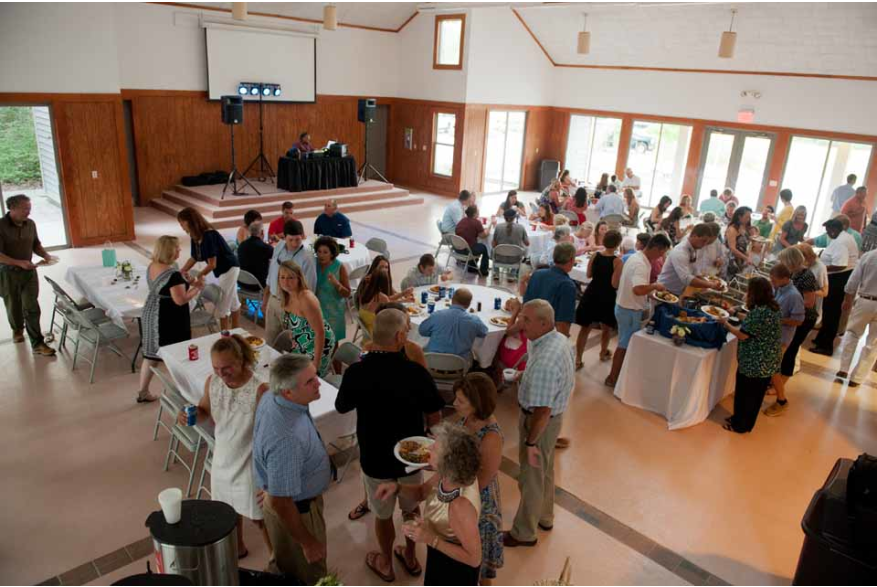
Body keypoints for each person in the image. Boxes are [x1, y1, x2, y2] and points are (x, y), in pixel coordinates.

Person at [336, 308, 444, 583]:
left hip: (375, 457)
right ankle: (409, 555)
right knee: (410, 508)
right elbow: (434, 415)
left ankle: (385, 562)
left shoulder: (357, 372)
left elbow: (342, 406)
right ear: (399, 336)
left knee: (382, 514)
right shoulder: (416, 373)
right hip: (411, 455)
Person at [179, 335, 272, 559]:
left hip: (249, 462)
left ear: (242, 361)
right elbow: (204, 410)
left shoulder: (261, 391)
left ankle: (276, 556)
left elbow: (270, 438)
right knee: (227, 510)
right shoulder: (213, 382)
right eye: (216, 367)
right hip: (223, 457)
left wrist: (268, 480)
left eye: (227, 367)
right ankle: (238, 546)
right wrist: (191, 415)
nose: (221, 373)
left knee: (259, 517)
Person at [253, 354, 331, 585]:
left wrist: (269, 483)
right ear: (288, 392)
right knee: (310, 575)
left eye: (315, 376)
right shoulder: (286, 438)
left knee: (284, 561)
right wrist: (308, 543)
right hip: (298, 510)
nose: (319, 383)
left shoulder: (270, 395)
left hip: (283, 498)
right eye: (310, 382)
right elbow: (281, 501)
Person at [502, 300, 574, 548]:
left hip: (539, 424)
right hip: (551, 421)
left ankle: (524, 532)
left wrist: (530, 441)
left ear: (544, 323)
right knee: (545, 470)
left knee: (531, 476)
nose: (521, 325)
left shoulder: (545, 362)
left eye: (527, 320)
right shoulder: (557, 340)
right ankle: (545, 517)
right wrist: (524, 375)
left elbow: (542, 411)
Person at [374, 423, 483, 586]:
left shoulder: (461, 507)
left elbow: (474, 559)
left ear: (448, 462)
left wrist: (429, 539)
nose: (429, 448)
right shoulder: (447, 475)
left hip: (455, 569)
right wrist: (397, 488)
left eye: (435, 448)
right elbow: (422, 492)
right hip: (439, 552)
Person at [137, 236, 203, 403]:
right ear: (169, 251)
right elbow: (180, 300)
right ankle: (184, 394)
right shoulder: (173, 274)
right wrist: (197, 288)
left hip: (152, 311)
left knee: (151, 355)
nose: (180, 251)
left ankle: (143, 391)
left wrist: (185, 281)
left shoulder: (152, 266)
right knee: (178, 355)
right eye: (177, 248)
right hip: (169, 318)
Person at [453, 375, 504, 585]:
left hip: (478, 502)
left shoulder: (491, 436)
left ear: (477, 403)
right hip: (460, 488)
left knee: (479, 563)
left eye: (461, 401)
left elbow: (481, 482)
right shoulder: (467, 418)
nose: (454, 404)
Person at [606, 234, 672, 387]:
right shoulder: (641, 264)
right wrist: (655, 286)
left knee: (624, 343)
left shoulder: (637, 257)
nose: (661, 258)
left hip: (624, 305)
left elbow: (635, 286)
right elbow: (637, 289)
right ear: (656, 248)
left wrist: (652, 293)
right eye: (661, 253)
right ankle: (613, 378)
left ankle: (617, 376)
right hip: (629, 310)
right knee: (623, 345)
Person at [718, 277, 782, 434]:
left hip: (755, 363)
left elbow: (743, 335)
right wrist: (735, 314)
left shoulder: (759, 312)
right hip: (767, 361)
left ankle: (740, 426)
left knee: (747, 396)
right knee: (754, 397)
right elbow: (754, 325)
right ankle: (739, 419)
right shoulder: (771, 308)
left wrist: (725, 324)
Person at [0, 194, 56, 356]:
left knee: (31, 307)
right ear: (12, 208)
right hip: (7, 274)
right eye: (25, 209)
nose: (28, 212)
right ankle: (17, 329)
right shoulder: (1, 226)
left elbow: (35, 244)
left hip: (29, 272)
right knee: (13, 305)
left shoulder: (30, 224)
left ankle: (37, 343)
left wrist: (45, 255)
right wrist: (18, 262)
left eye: (29, 208)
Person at [767, 248, 819, 417]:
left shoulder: (796, 290)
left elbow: (806, 308)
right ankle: (775, 387)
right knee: (774, 364)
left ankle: (781, 398)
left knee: (783, 358)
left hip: (792, 326)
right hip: (783, 327)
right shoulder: (786, 286)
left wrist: (781, 316)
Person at [177, 207, 241, 331]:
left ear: (190, 221)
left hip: (229, 268)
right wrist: (182, 271)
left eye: (182, 223)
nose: (181, 226)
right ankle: (236, 331)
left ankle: (225, 338)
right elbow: (194, 257)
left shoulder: (209, 235)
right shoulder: (195, 235)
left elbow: (212, 264)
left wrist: (197, 277)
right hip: (223, 270)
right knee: (233, 302)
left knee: (222, 306)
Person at [277, 260, 336, 377]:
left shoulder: (306, 299)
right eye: (282, 277)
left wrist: (316, 364)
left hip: (319, 342)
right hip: (302, 340)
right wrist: (293, 336)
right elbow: (292, 323)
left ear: (299, 278)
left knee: (308, 378)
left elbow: (320, 332)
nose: (285, 282)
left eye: (290, 278)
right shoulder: (286, 296)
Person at [574, 230, 624, 369]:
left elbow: (589, 274)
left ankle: (578, 358)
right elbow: (614, 284)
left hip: (592, 292)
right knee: (606, 328)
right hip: (606, 296)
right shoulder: (617, 261)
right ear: (618, 244)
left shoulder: (595, 255)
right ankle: (603, 353)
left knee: (585, 329)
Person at [264, 220, 317, 346]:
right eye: (291, 240)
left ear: (303, 236)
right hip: (274, 300)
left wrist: (300, 312)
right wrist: (266, 298)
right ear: (284, 237)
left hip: (293, 304)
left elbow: (309, 289)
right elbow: (271, 274)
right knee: (271, 341)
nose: (294, 243)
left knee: (293, 344)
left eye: (298, 240)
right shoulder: (279, 247)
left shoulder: (307, 257)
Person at [811, 219, 857, 356]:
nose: (828, 234)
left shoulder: (840, 242)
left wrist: (822, 267)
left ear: (834, 229)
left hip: (838, 279)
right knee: (829, 311)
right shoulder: (845, 237)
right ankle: (822, 338)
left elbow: (840, 264)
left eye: (828, 231)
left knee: (831, 312)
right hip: (841, 278)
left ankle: (826, 346)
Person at [766, 264, 805, 417]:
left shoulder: (794, 295)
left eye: (774, 280)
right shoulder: (779, 288)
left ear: (785, 279)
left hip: (781, 338)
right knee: (770, 368)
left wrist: (777, 319)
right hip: (772, 335)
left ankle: (781, 401)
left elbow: (799, 320)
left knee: (773, 369)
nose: (772, 282)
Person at [836, 249, 877, 387]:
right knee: (874, 343)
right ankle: (857, 378)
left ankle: (843, 369)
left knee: (853, 333)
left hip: (865, 300)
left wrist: (847, 300)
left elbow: (853, 280)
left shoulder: (869, 256)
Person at [518, 243, 578, 336]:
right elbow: (562, 324)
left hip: (528, 331)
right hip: (547, 336)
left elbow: (526, 304)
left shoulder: (537, 274)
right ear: (571, 260)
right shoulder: (567, 285)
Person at [419, 288, 488, 362]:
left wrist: (437, 332)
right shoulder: (475, 320)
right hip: (460, 365)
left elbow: (422, 331)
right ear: (468, 304)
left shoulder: (437, 315)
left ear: (452, 300)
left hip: (432, 362)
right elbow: (484, 333)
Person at [658, 224, 723, 296]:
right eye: (703, 241)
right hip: (664, 291)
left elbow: (695, 272)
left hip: (677, 292)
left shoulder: (693, 249)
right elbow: (686, 278)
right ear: (694, 235)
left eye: (706, 242)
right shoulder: (680, 251)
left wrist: (710, 283)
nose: (704, 245)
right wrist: (710, 285)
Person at [314, 237, 350, 345]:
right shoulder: (313, 263)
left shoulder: (339, 267)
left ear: (332, 254)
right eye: (319, 251)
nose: (321, 255)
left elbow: (347, 293)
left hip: (334, 312)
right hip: (316, 310)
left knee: (332, 343)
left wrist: (336, 284)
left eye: (325, 252)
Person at [455, 205, 493, 277]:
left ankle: (471, 267)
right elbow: (483, 235)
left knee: (475, 244)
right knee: (483, 248)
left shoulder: (462, 220)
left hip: (457, 248)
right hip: (467, 250)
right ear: (475, 214)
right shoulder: (476, 222)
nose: (479, 212)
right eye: (478, 211)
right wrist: (489, 227)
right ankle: (484, 270)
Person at [237, 221, 274, 291]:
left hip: (242, 283)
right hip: (258, 286)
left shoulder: (241, 245)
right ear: (262, 232)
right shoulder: (266, 248)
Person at [725, 206, 754, 280]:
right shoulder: (732, 229)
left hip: (740, 259)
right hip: (730, 260)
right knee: (730, 280)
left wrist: (748, 256)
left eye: (749, 217)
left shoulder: (743, 228)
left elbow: (744, 247)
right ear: (739, 217)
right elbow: (732, 248)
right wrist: (746, 258)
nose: (748, 219)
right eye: (747, 217)